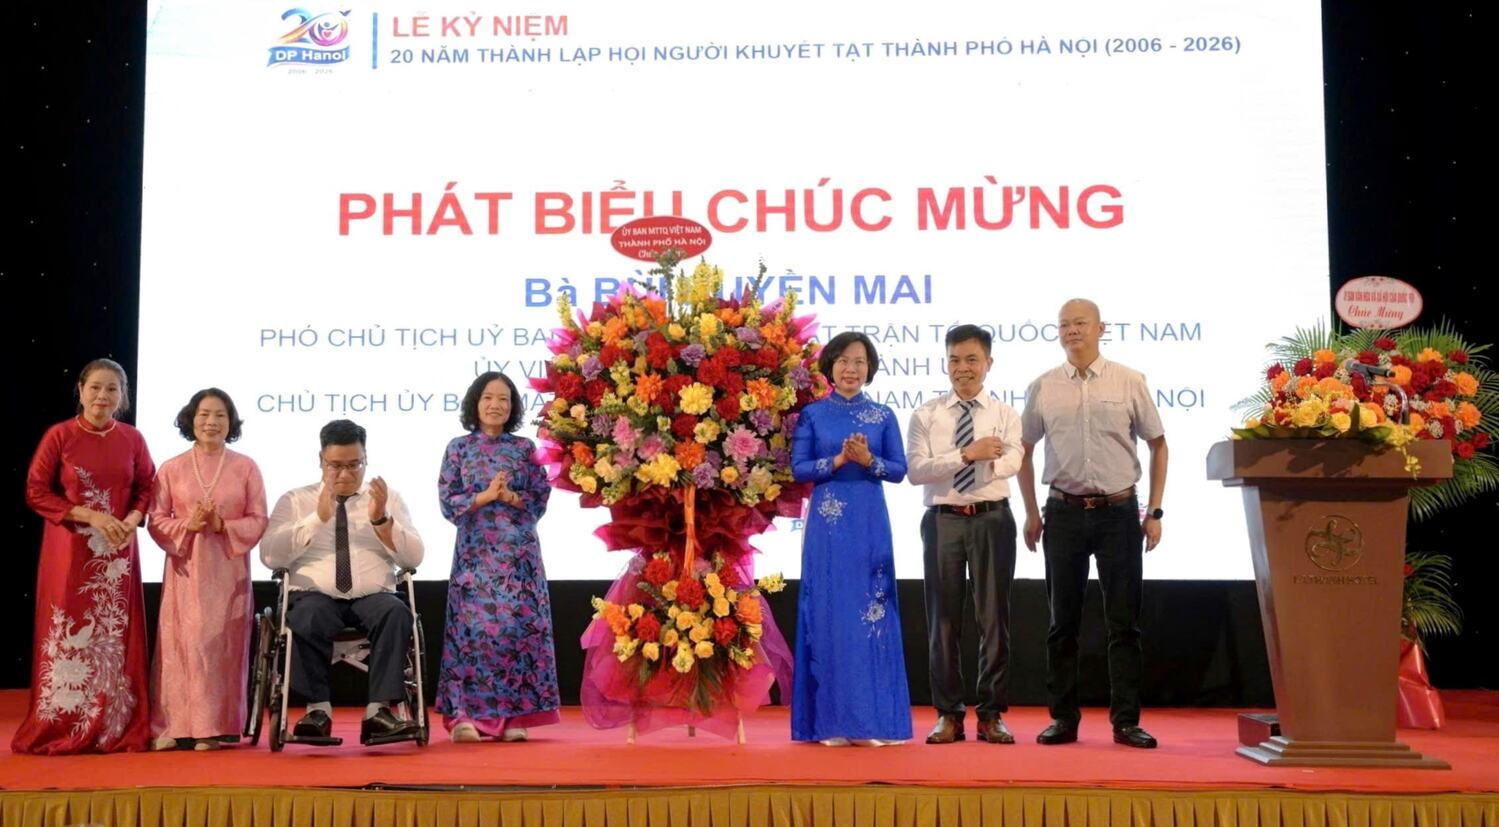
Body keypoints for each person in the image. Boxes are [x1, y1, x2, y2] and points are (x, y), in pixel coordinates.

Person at [1017, 298, 1168, 749]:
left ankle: (1126, 721)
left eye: (1080, 323)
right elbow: (1023, 451)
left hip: (1119, 513)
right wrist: (1031, 512)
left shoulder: (1129, 380)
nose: (1072, 331)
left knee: (1124, 623)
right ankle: (1063, 719)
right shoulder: (1043, 386)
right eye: (1064, 324)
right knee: (1061, 624)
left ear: (1101, 328)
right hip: (1062, 513)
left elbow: (1159, 444)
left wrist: (1155, 511)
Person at [15, 358, 156, 754]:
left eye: (112, 389)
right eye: (95, 387)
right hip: (69, 550)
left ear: (122, 396)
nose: (102, 396)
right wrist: (91, 515)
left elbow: (147, 486)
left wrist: (132, 520)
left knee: (112, 635)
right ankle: (62, 722)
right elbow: (36, 491)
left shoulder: (132, 438)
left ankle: (112, 724)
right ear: (80, 390)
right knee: (70, 631)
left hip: (117, 553)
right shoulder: (59, 435)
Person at [261, 419, 425, 746]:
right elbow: (270, 556)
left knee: (396, 613)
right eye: (335, 465)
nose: (345, 474)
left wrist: (382, 520)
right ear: (321, 460)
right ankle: (317, 712)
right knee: (308, 615)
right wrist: (317, 519)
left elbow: (414, 558)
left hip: (371, 596)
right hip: (314, 595)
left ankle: (379, 712)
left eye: (354, 465)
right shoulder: (295, 500)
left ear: (366, 460)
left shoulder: (387, 499)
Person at [791, 331, 911, 746]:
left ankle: (870, 723)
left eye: (859, 361)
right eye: (843, 360)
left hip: (868, 523)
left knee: (871, 618)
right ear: (830, 366)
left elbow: (899, 470)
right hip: (827, 530)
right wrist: (840, 459)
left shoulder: (883, 415)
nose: (851, 369)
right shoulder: (813, 415)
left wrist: (869, 460)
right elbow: (799, 469)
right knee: (830, 616)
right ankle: (831, 723)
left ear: (870, 368)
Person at [906, 325, 1023, 745]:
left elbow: (1012, 460)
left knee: (994, 620)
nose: (963, 368)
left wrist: (985, 462)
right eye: (954, 360)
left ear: (988, 363)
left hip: (992, 518)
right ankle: (948, 714)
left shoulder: (1005, 414)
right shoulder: (926, 414)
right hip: (943, 520)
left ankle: (991, 714)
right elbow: (917, 471)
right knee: (942, 622)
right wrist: (966, 454)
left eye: (972, 359)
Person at [435, 371, 560, 743]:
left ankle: (513, 717)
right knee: (472, 635)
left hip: (519, 556)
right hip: (475, 556)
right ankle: (464, 718)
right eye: (488, 397)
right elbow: (448, 501)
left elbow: (540, 498)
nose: (496, 405)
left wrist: (510, 498)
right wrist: (485, 496)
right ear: (476, 403)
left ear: (513, 406)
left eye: (504, 399)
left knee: (515, 633)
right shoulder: (458, 448)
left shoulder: (525, 449)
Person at [146, 388, 268, 751]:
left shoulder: (246, 466)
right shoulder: (172, 467)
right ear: (191, 419)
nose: (211, 422)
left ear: (231, 422)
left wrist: (221, 525)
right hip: (185, 571)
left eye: (219, 415)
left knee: (218, 645)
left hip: (228, 573)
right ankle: (174, 725)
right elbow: (155, 520)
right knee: (180, 645)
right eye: (204, 414)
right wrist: (189, 524)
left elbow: (258, 519)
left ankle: (216, 726)